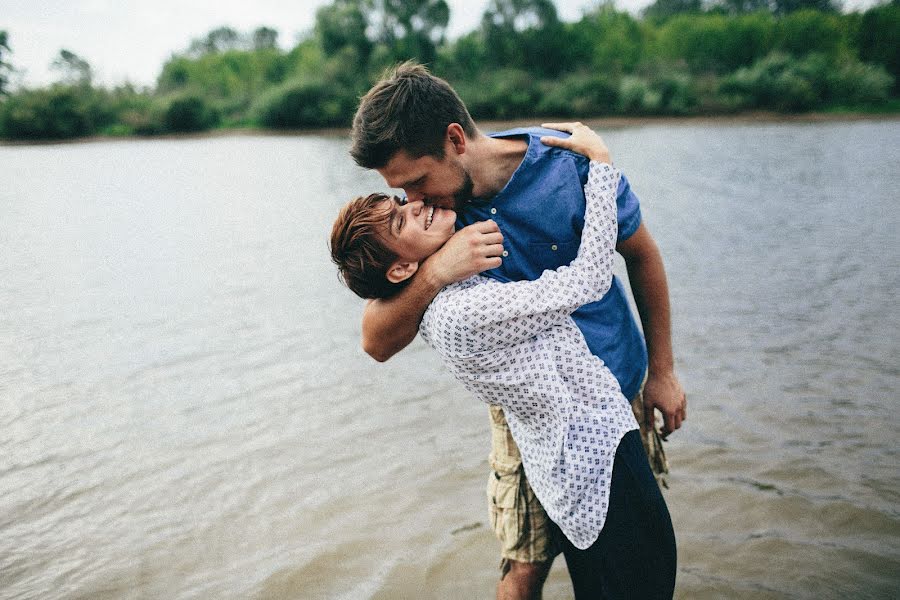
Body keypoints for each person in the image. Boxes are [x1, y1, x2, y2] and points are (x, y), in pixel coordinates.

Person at [348, 62, 686, 600]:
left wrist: (663, 372)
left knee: (636, 563)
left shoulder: (567, 164)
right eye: (400, 192)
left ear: (454, 140)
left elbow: (642, 256)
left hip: (614, 394)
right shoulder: (431, 228)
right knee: (525, 567)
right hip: (527, 413)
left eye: (414, 182)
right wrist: (437, 271)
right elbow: (374, 338)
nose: (411, 200)